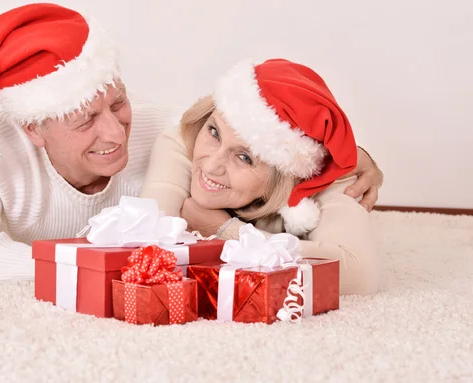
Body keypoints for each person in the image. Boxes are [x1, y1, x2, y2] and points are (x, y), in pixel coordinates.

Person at [0, 3, 382, 282]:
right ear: (33, 129)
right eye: (85, 121)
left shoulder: (165, 129)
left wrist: (350, 158)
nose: (116, 132)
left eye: (117, 103)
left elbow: (248, 130)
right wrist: (90, 263)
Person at [140, 58, 383, 295]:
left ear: (284, 178)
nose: (212, 165)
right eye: (214, 132)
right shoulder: (184, 142)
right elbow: (144, 241)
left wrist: (223, 229)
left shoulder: (325, 176)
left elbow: (360, 276)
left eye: (245, 157)